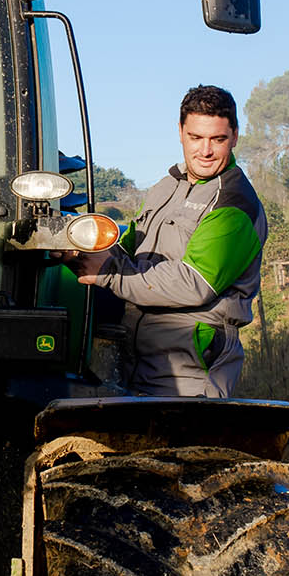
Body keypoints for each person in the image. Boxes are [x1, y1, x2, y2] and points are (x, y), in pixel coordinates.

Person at [68, 85, 265, 398]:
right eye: (196, 138)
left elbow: (196, 282)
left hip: (188, 371)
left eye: (218, 139)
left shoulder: (233, 202)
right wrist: (78, 247)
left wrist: (110, 273)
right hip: (137, 362)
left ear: (236, 136)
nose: (206, 151)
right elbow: (131, 251)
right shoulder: (165, 188)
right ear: (180, 132)